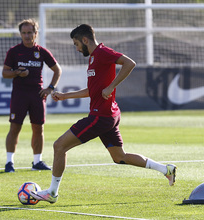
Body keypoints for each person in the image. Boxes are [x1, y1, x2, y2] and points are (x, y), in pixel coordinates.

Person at [31, 24, 176, 203]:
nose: (76, 48)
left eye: (76, 44)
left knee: (59, 146)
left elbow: (130, 63)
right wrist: (65, 96)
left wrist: (112, 86)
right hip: (109, 115)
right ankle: (166, 169)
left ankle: (52, 193)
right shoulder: (93, 58)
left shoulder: (102, 52)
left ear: (85, 40)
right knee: (119, 157)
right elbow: (93, 90)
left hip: (101, 116)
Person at [2, 19, 62, 172]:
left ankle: (37, 162)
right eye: (24, 33)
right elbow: (5, 73)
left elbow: (57, 70)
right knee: (15, 127)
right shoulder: (14, 51)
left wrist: (50, 88)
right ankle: (9, 163)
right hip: (19, 95)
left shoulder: (42, 51)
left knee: (38, 129)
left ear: (36, 34)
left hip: (37, 95)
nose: (27, 36)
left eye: (30, 33)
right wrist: (17, 72)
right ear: (20, 34)